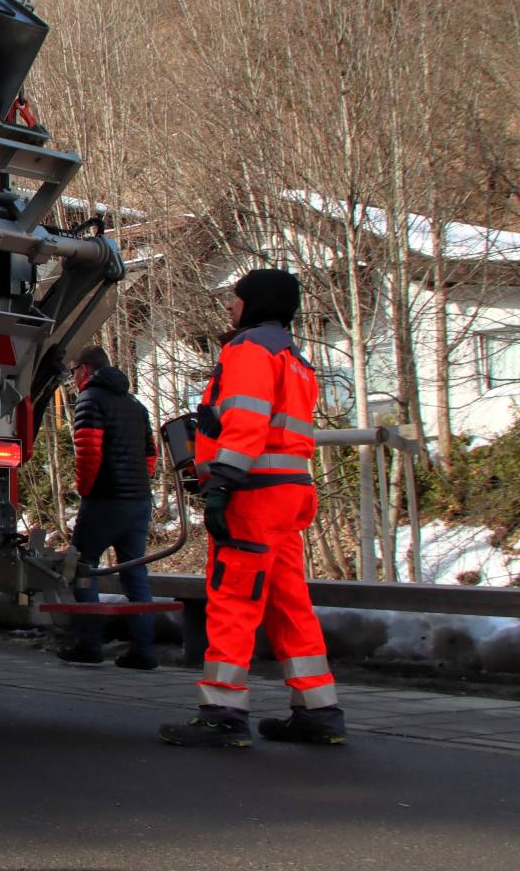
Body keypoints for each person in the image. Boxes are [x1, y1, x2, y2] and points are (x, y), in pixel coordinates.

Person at [160, 268, 343, 748]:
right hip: (290, 492)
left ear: (254, 303)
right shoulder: (296, 359)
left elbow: (245, 422)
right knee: (289, 603)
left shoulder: (248, 351)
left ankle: (222, 711)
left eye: (235, 298)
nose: (230, 306)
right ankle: (318, 711)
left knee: (233, 598)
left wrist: (222, 481)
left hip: (254, 494)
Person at [59, 345, 158, 670]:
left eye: (73, 372)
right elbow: (150, 454)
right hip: (139, 501)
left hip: (105, 500)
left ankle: (89, 645)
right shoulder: (135, 404)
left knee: (83, 567)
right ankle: (144, 651)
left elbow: (89, 451)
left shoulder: (90, 400)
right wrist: (139, 485)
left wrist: (85, 489)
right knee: (135, 572)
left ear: (85, 370)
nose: (72, 379)